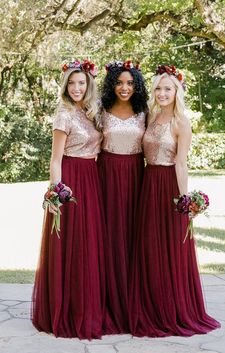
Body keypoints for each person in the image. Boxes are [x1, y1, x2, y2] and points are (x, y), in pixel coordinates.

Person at [129, 65, 221, 337]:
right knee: (148, 246)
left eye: (168, 88)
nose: (162, 93)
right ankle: (148, 305)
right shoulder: (150, 117)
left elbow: (181, 164)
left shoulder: (182, 123)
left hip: (169, 185)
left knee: (170, 246)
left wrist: (185, 202)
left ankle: (173, 309)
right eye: (158, 88)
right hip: (147, 185)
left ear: (177, 91)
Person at [31, 59, 106, 339]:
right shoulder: (63, 115)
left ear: (88, 85)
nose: (77, 88)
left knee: (89, 243)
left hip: (92, 179)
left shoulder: (90, 112)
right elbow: (55, 159)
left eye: (81, 83)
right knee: (72, 243)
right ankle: (69, 309)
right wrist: (57, 192)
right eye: (72, 83)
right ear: (65, 86)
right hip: (72, 180)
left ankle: (89, 306)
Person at [97, 60, 148, 334]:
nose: (124, 88)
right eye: (119, 82)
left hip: (135, 177)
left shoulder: (144, 111)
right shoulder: (101, 110)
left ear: (137, 85)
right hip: (105, 175)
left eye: (130, 83)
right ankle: (107, 300)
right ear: (111, 84)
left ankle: (133, 301)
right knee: (108, 235)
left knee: (132, 236)